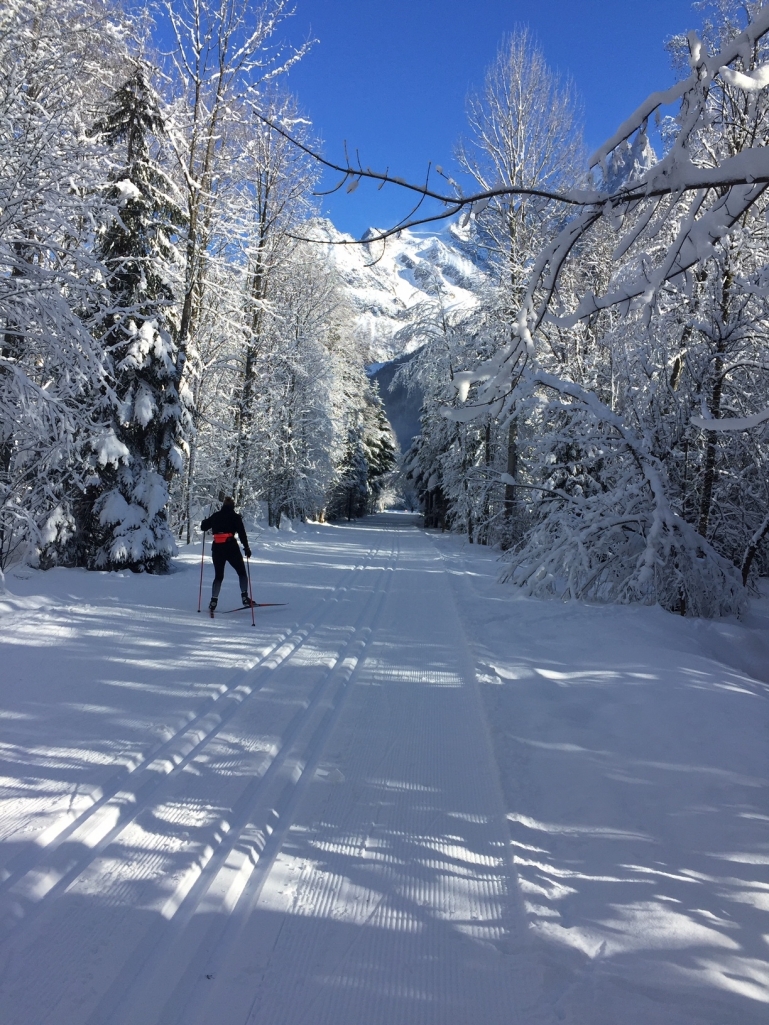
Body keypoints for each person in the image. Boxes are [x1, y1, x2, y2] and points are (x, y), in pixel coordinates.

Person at [201, 497, 253, 612]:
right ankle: (244, 597)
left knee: (218, 576)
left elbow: (203, 527)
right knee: (241, 572)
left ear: (223, 505)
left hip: (217, 549)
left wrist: (204, 521)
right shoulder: (235, 517)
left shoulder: (216, 515)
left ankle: (213, 601)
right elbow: (242, 533)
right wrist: (246, 547)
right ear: (233, 506)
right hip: (231, 548)